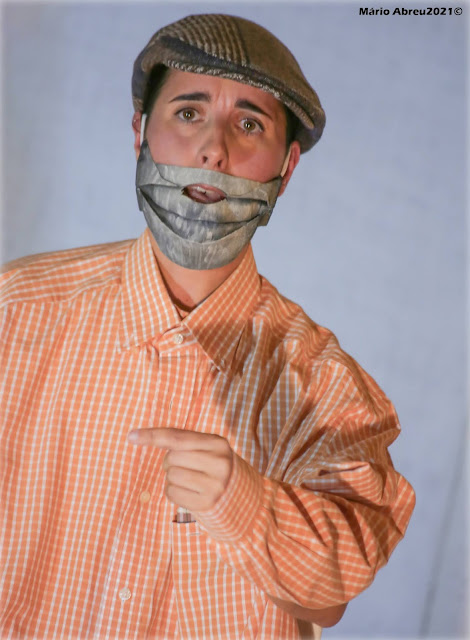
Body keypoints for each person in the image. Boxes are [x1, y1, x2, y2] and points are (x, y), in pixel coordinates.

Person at [0, 13, 415, 640]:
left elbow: (330, 599)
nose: (214, 150)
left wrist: (245, 505)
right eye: (189, 112)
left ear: (287, 169)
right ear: (140, 132)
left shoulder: (326, 389)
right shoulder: (16, 312)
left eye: (249, 124)